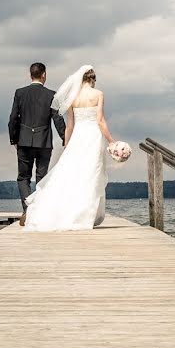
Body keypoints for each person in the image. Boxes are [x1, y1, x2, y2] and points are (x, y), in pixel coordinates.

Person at [23, 65, 115, 232]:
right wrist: (112, 141)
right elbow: (100, 121)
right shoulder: (98, 94)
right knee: (91, 174)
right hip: (93, 136)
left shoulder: (73, 97)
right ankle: (86, 214)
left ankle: (68, 211)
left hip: (77, 138)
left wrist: (67, 145)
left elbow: (70, 126)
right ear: (92, 79)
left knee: (74, 173)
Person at [8, 62, 66, 226]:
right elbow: (58, 119)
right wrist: (65, 138)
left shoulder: (20, 93)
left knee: (23, 177)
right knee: (42, 178)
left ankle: (27, 210)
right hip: (44, 142)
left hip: (24, 141)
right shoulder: (51, 95)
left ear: (30, 75)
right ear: (44, 75)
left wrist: (14, 139)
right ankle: (39, 211)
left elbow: (13, 118)